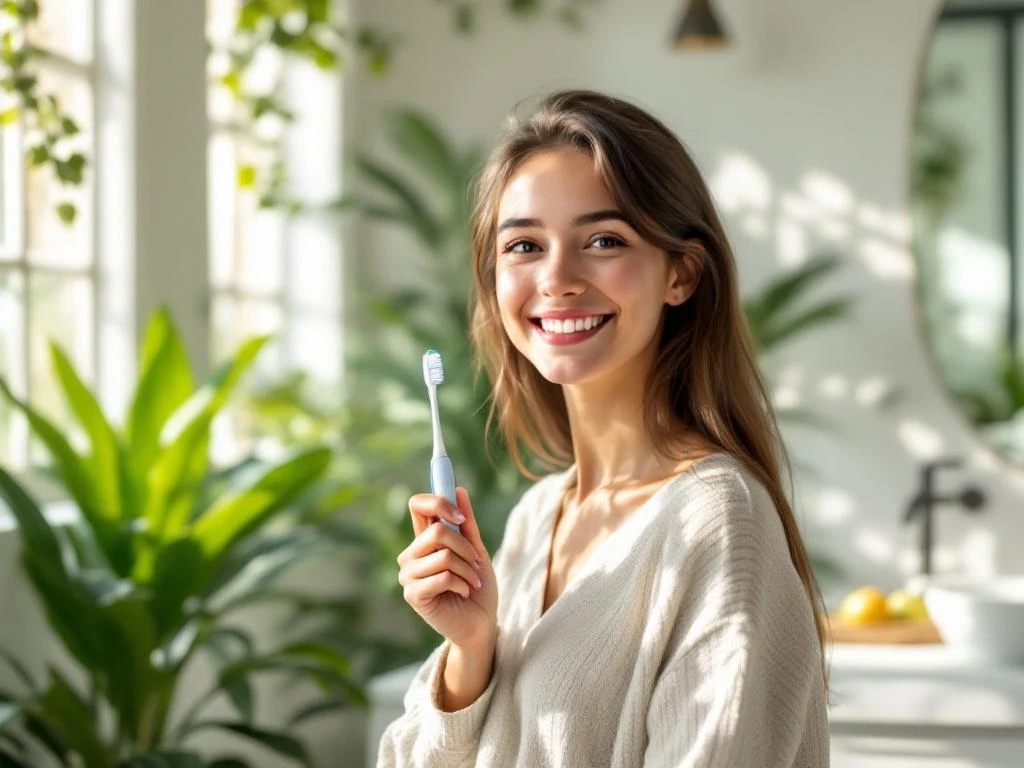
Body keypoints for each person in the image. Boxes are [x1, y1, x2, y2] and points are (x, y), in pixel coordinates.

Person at [378, 89, 830, 767]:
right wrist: (471, 654)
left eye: (603, 241)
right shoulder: (539, 517)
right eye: (525, 245)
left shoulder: (717, 524)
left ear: (681, 273)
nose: (556, 278)